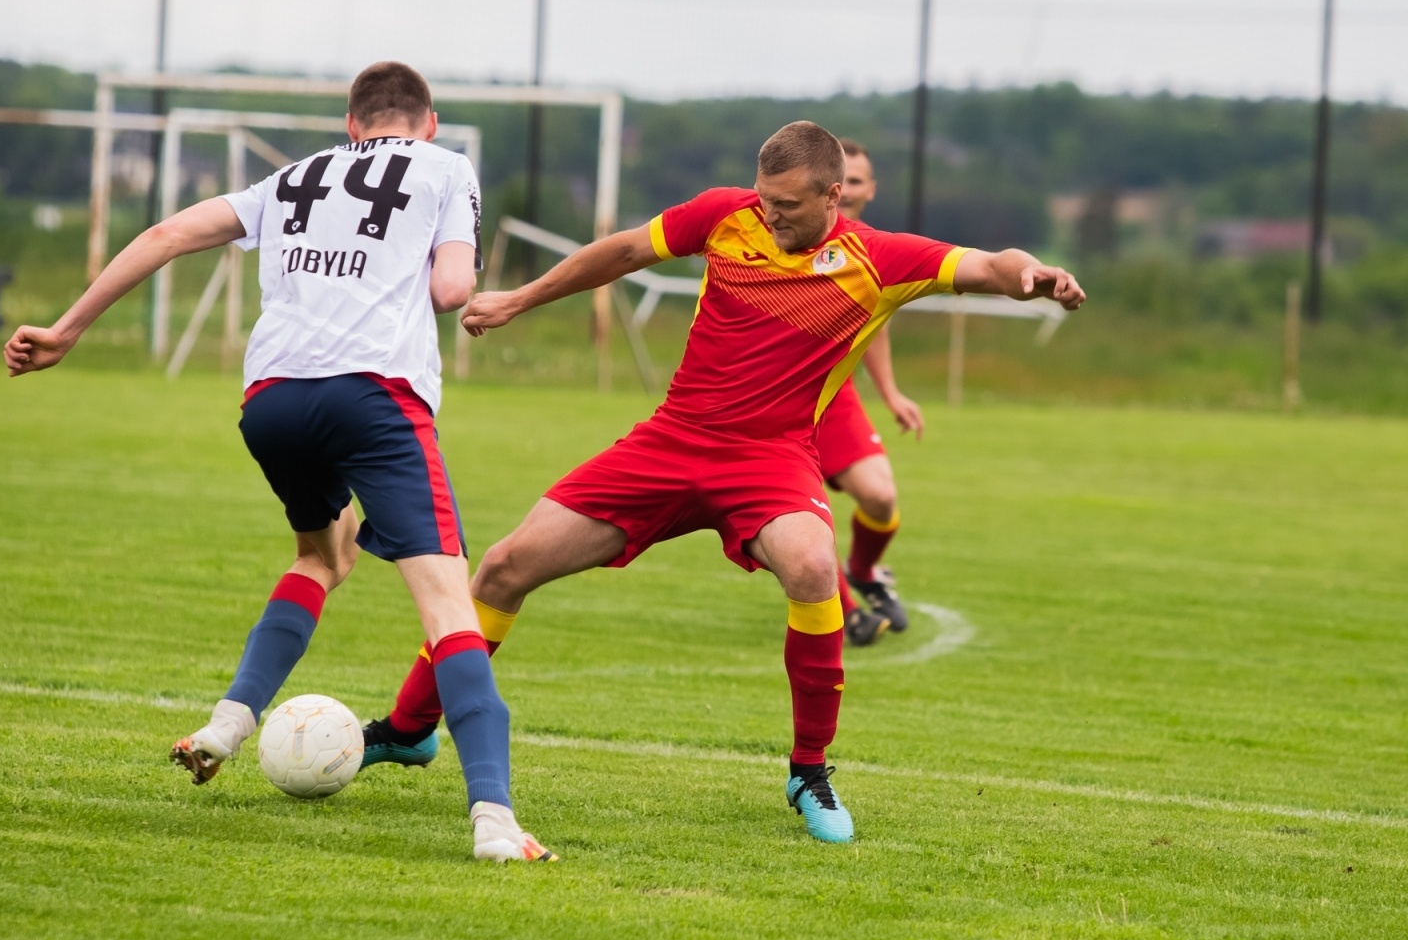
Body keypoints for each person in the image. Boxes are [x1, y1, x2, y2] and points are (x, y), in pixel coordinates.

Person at [362, 121, 1084, 844]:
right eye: (765, 199)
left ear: (833, 196)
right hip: (671, 440)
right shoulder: (724, 214)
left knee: (812, 567)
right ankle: (409, 726)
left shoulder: (880, 259)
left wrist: (1035, 275)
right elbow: (624, 251)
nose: (770, 214)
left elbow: (989, 265)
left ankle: (809, 769)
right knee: (504, 565)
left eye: (788, 205)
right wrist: (521, 298)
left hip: (771, 458)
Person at [2, 61, 554, 863]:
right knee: (447, 606)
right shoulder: (445, 167)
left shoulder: (295, 175)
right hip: (375, 396)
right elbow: (449, 288)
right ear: (429, 123)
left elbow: (165, 236)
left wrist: (66, 330)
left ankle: (227, 724)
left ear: (351, 125)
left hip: (272, 401)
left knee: (323, 555)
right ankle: (495, 821)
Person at [817, 138, 926, 645]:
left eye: (856, 181)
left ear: (869, 190)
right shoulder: (792, 237)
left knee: (880, 497)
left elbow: (874, 326)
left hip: (832, 395)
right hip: (774, 398)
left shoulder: (869, 250)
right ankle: (847, 612)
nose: (846, 190)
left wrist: (891, 393)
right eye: (839, 181)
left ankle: (861, 571)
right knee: (801, 509)